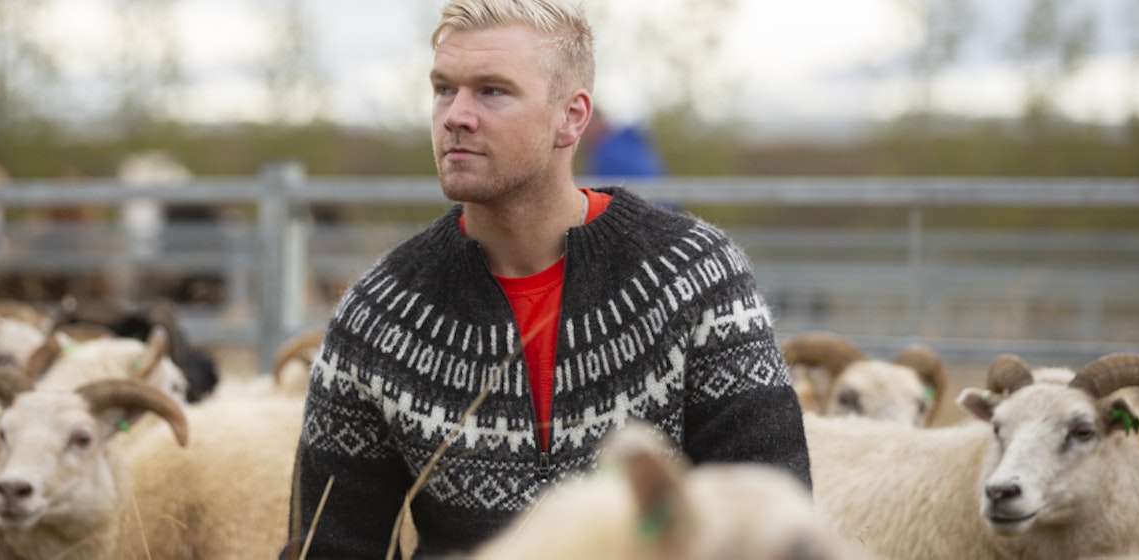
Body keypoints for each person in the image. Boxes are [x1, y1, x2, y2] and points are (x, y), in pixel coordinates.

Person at [287, 0, 811, 557]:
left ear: (572, 116)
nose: (455, 115)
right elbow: (331, 546)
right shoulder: (378, 316)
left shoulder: (697, 278)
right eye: (444, 89)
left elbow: (772, 514)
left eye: (492, 91)